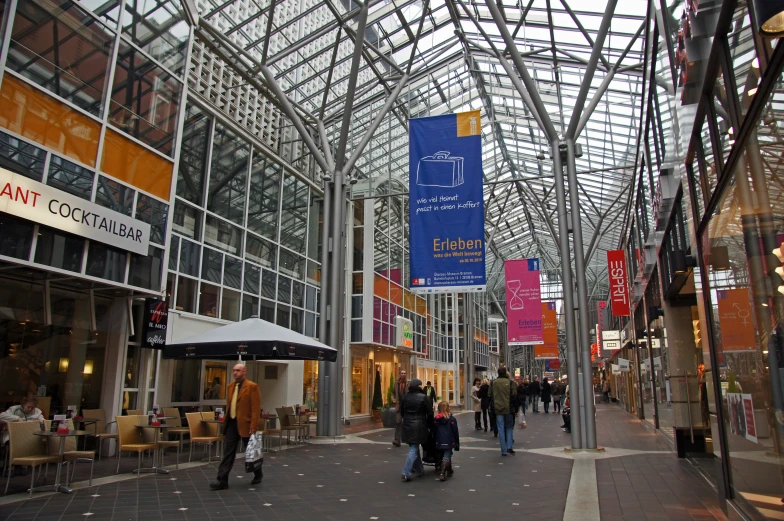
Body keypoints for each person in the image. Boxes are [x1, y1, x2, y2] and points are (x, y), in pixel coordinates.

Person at [210, 363, 261, 490]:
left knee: (250, 452)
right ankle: (222, 480)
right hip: (232, 423)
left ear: (244, 372)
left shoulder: (252, 387)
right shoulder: (230, 387)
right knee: (228, 452)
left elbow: (256, 408)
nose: (235, 373)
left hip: (246, 424)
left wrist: (254, 425)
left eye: (238, 370)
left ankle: (258, 473)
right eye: (234, 371)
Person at [400, 379, 433, 482]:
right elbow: (430, 413)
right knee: (414, 448)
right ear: (419, 387)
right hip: (419, 424)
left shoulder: (405, 397)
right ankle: (406, 472)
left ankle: (419, 470)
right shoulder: (423, 397)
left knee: (414, 447)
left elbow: (402, 412)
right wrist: (430, 425)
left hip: (407, 424)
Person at [488, 367, 517, 456]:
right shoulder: (511, 382)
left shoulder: (493, 383)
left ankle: (503, 450)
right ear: (505, 373)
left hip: (497, 408)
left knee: (500, 428)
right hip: (508, 408)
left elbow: (489, 395)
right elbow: (514, 395)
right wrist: (516, 409)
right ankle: (509, 446)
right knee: (509, 427)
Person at [433, 401, 459, 481]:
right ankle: (443, 472)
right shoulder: (451, 419)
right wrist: (456, 443)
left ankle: (449, 469)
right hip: (449, 439)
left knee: (445, 454)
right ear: (448, 408)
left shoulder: (436, 420)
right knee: (447, 455)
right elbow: (455, 431)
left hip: (439, 440)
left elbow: (434, 430)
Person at [392, 369, 408, 447]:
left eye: (404, 373)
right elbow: (393, 393)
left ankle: (407, 438)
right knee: (398, 422)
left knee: (407, 422)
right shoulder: (396, 383)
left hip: (406, 406)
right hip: (399, 405)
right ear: (399, 374)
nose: (403, 374)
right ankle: (397, 440)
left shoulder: (408, 383)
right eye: (402, 373)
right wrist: (393, 399)